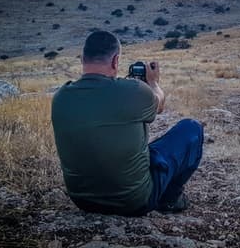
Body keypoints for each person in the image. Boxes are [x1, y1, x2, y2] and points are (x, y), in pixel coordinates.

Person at [51, 30, 203, 216]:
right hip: (134, 202)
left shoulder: (60, 97)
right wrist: (153, 83)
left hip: (82, 200)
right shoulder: (135, 91)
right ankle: (170, 200)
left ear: (82, 59)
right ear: (116, 61)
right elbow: (159, 105)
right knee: (191, 128)